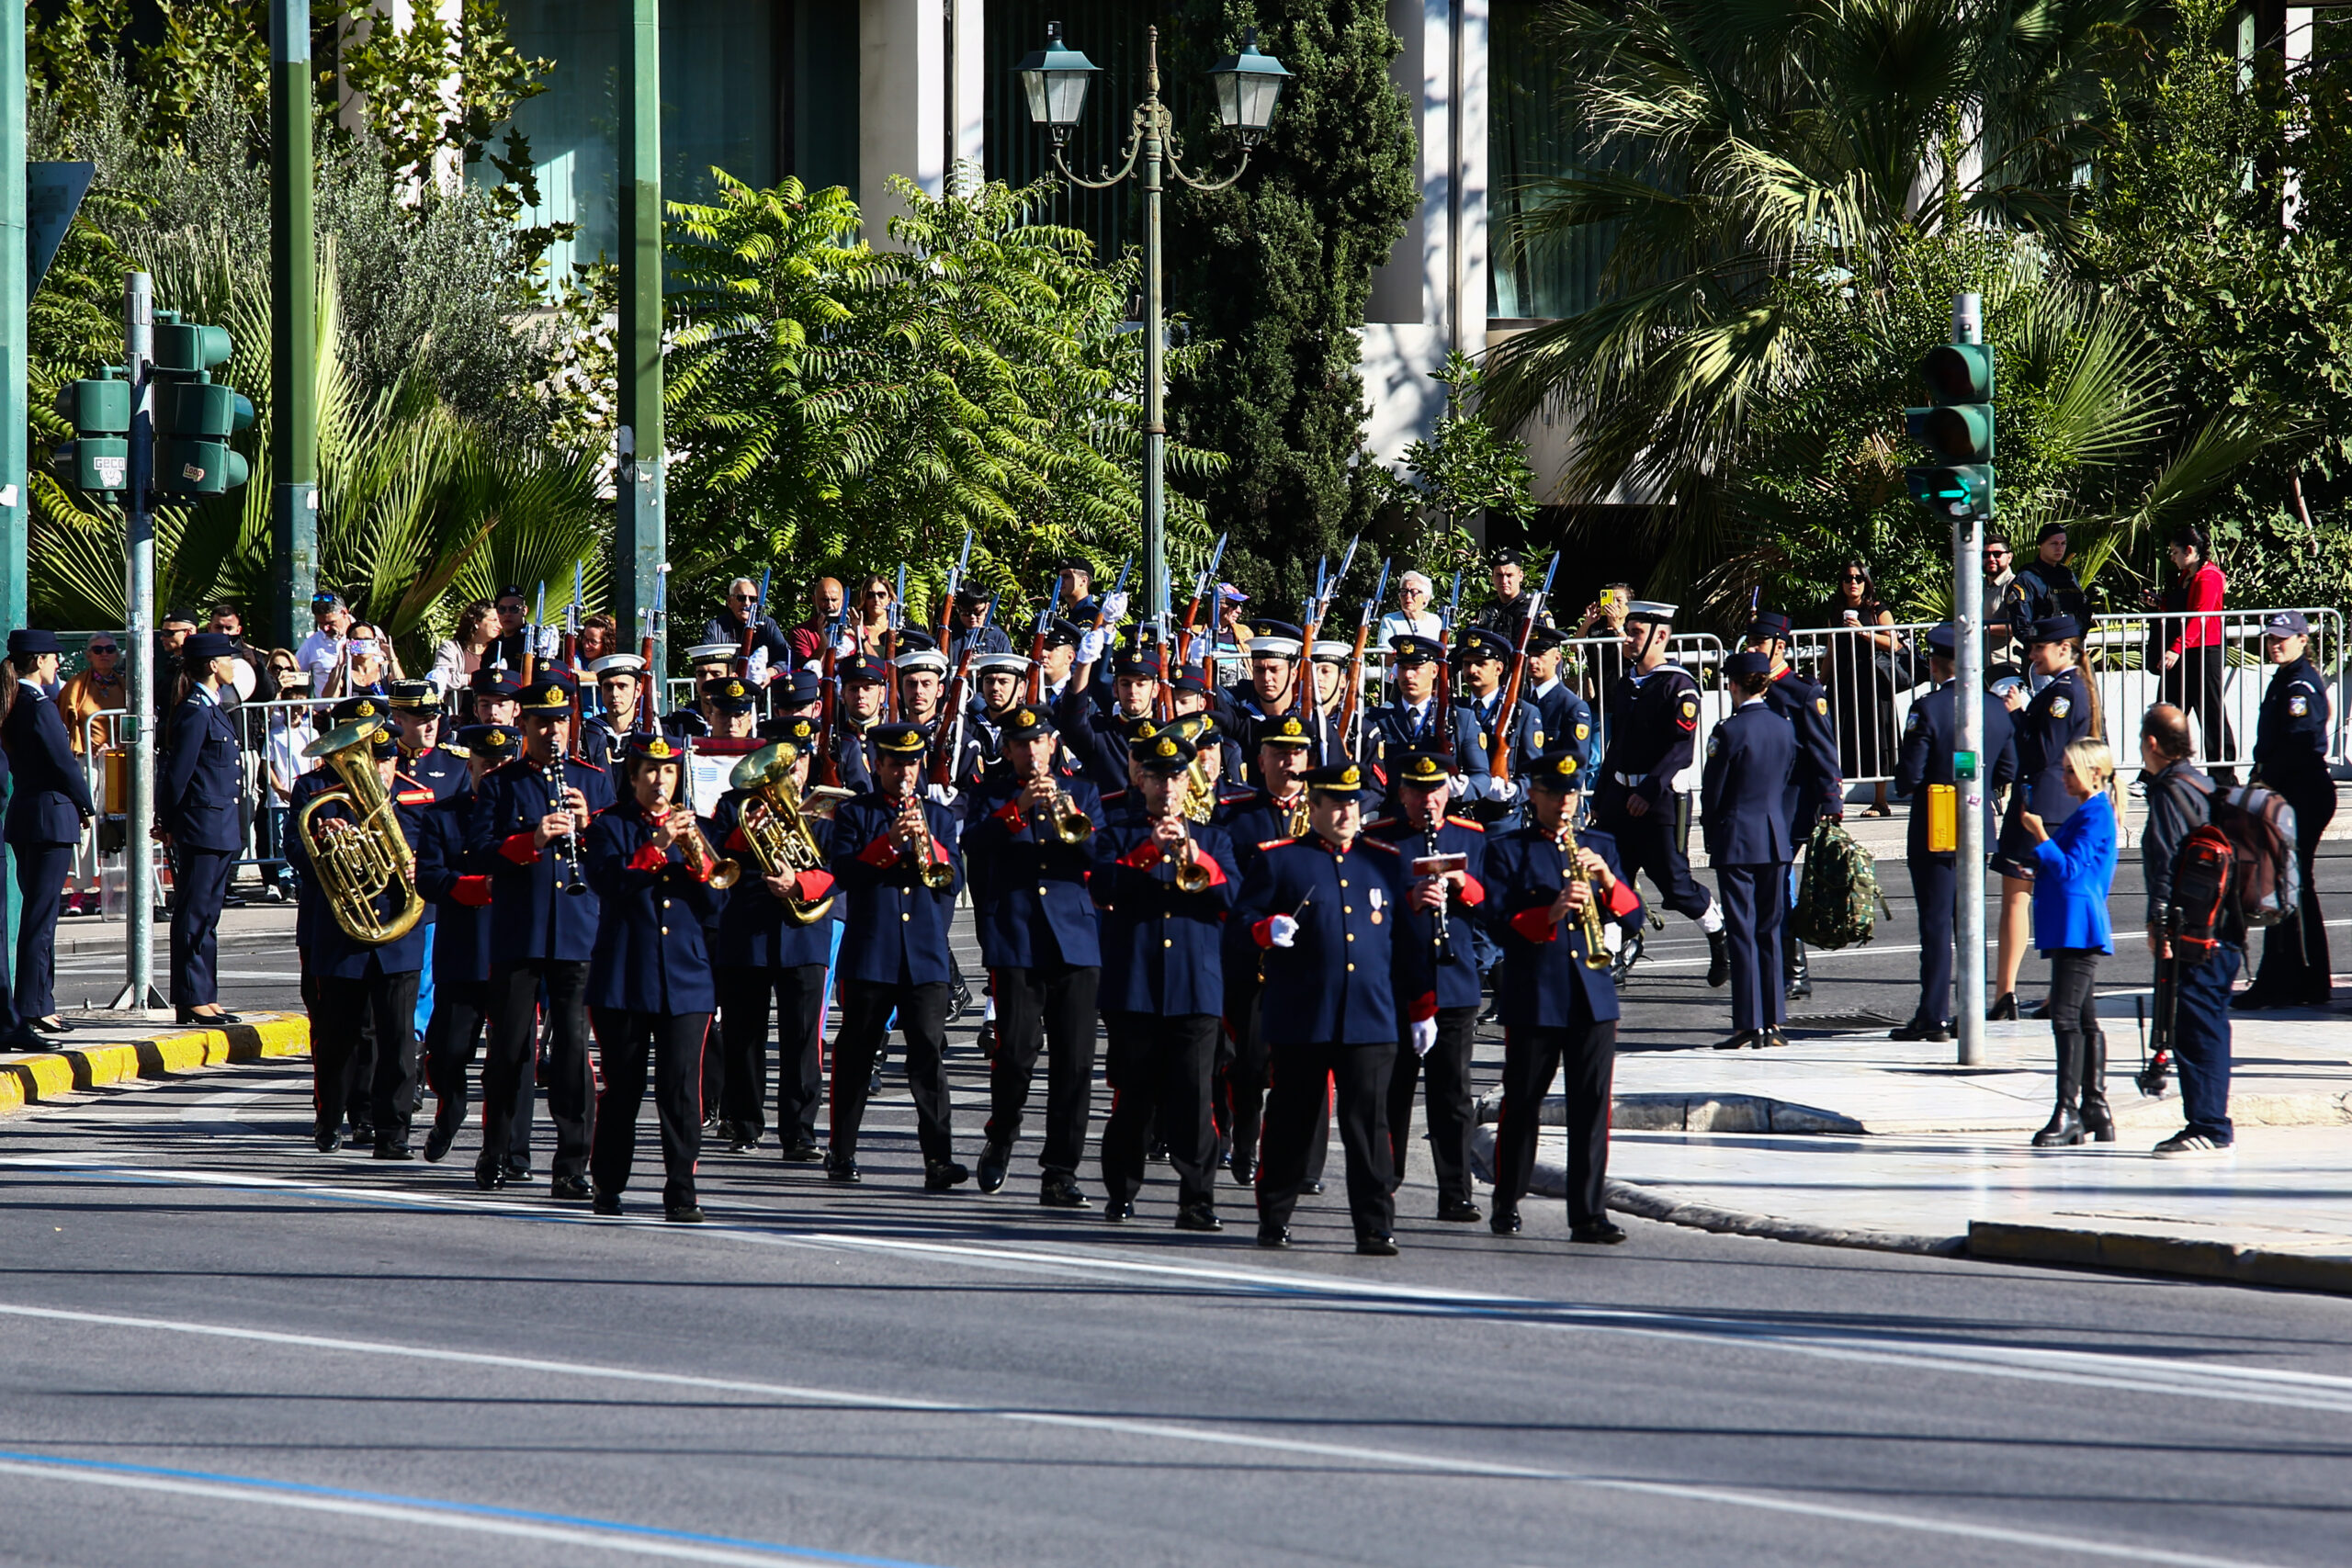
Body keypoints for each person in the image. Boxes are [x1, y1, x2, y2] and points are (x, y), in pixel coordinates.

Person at [1235, 760, 1435, 1257]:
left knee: (1369, 1126)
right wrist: (1266, 929)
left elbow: (1409, 943)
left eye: (1354, 803)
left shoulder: (1385, 861)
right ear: (1314, 805)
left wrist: (1422, 1007)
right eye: (1338, 803)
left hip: (1370, 1016)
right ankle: (1275, 1217)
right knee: (1292, 1121)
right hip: (1304, 1014)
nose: (1348, 812)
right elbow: (1241, 920)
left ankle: (1374, 1225)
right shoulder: (1280, 861)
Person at [463, 680, 616, 1197]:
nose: (552, 732)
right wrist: (531, 841)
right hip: (519, 930)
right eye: (541, 723)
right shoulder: (502, 784)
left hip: (576, 931)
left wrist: (588, 824)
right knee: (510, 1049)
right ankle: (500, 1151)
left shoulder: (594, 782)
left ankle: (573, 1164)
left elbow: (614, 854)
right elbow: (480, 851)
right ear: (523, 726)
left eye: (560, 722)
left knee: (574, 1050)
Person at [1485, 747, 1644, 1243]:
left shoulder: (1601, 844)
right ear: (1534, 794)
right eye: (1554, 792)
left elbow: (1634, 917)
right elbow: (1497, 922)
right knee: (1523, 1103)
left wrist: (1608, 880)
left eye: (1571, 793)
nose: (1565, 802)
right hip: (1537, 994)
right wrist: (1550, 914)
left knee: (1593, 1106)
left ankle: (1588, 1213)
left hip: (1594, 997)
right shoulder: (1509, 850)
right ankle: (1507, 1199)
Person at [1090, 730, 1238, 1228]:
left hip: (1195, 988)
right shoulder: (1116, 835)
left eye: (1176, 777)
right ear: (1140, 779)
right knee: (1134, 1097)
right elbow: (1104, 890)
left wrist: (1199, 860)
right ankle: (1122, 1191)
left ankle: (1196, 1198)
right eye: (1157, 776)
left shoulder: (1214, 837)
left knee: (1196, 1102)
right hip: (1135, 987)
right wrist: (1148, 854)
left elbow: (1235, 901)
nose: (1168, 787)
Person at [582, 732, 729, 1222]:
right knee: (623, 1089)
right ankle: (607, 1182)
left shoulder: (701, 828)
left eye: (667, 771)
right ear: (632, 777)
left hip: (686, 979)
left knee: (681, 1090)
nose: (659, 780)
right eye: (649, 771)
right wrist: (656, 848)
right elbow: (608, 883)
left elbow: (716, 906)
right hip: (625, 977)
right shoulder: (610, 828)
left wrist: (699, 865)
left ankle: (682, 1190)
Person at [964, 706, 1102, 1206]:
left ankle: (1060, 1170)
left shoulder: (1083, 790)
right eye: (1021, 743)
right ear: (1007, 750)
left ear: (1053, 744)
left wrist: (1070, 816)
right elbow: (973, 844)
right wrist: (1017, 807)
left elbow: (1100, 855)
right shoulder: (991, 793)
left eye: (1039, 741)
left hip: (1076, 944)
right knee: (1015, 1054)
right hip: (1017, 939)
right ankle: (1001, 1135)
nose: (1031, 751)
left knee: (1075, 1063)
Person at [824, 723, 967, 1189]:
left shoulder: (939, 818)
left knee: (928, 1056)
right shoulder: (856, 815)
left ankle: (938, 1160)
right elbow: (843, 872)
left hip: (924, 957)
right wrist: (888, 845)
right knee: (856, 1057)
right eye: (895, 763)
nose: (904, 771)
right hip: (872, 953)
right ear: (878, 764)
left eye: (911, 762)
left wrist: (929, 841)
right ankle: (841, 1152)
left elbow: (954, 880)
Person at [286, 705, 434, 1156]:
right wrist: (327, 843)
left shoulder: (419, 796)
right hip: (341, 931)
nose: (379, 771)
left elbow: (443, 852)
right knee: (339, 1037)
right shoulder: (320, 795)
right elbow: (295, 851)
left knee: (397, 1040)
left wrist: (420, 865)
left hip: (400, 934)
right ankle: (330, 1119)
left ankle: (393, 1132)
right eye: (372, 760)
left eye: (386, 761)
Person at [1367, 749, 1490, 1223]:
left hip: (1452, 984)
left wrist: (1466, 887)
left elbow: (1495, 904)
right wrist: (1408, 900)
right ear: (1401, 794)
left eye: (1435, 789)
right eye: (1417, 791)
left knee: (1452, 1096)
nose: (1427, 800)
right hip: (1395, 983)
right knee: (1392, 1092)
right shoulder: (1379, 839)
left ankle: (1456, 1192)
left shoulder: (1470, 839)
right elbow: (1363, 905)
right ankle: (1384, 1184)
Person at [707, 731, 836, 1162]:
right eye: (786, 763)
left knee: (803, 1037)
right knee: (745, 1035)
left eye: (799, 762)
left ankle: (800, 1131)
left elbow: (837, 869)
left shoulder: (826, 810)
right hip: (747, 931)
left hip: (805, 932)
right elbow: (716, 862)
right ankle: (744, 1122)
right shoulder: (734, 806)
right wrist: (752, 833)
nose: (793, 771)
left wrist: (798, 883)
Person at [1892, 625, 2018, 1040]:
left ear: (1935, 662)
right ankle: (1970, 1011)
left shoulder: (1927, 708)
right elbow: (2008, 769)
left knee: (1936, 923)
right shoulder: (1996, 708)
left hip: (1937, 822)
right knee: (1970, 922)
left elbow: (1909, 777)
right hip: (1978, 821)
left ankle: (1933, 1015)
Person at [1591, 602, 1727, 986]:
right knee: (1611, 879)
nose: (1628, 639)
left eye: (1635, 632)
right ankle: (1613, 954)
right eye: (1629, 631)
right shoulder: (1626, 683)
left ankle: (1720, 936)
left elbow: (1681, 749)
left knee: (1675, 884)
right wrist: (1600, 800)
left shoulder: (1677, 685)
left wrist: (1649, 791)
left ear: (1661, 636)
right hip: (1620, 796)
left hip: (1660, 799)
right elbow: (1616, 745)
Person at [416, 724, 531, 1168]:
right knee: (446, 1051)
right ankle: (453, 1105)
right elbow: (427, 877)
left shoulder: (529, 818)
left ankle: (513, 1152)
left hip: (514, 954)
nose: (495, 771)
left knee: (514, 1057)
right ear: (471, 766)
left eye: (503, 764)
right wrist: (472, 887)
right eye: (486, 765)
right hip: (463, 952)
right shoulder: (444, 814)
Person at [2138, 704, 2240, 1156]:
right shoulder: (2203, 784)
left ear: (2153, 743)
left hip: (2197, 932)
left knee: (2198, 1027)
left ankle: (2208, 1126)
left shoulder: (2169, 791)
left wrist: (2159, 923)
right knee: (2209, 1021)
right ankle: (2209, 1120)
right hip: (2225, 926)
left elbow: (2166, 863)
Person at [1990, 616, 2097, 1018]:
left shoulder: (2064, 694)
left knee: (2017, 900)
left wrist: (2017, 714)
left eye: (2040, 648)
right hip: (2054, 805)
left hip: (2041, 805)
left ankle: (2007, 994)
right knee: (2052, 900)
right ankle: (2054, 994)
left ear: (2064, 650)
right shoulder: (2068, 689)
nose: (2033, 655)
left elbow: (2042, 751)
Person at [2015, 738, 2120, 1146]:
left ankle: (2068, 1111)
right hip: (2071, 926)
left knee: (2065, 1017)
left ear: (2093, 773)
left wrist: (2040, 834)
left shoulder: (2096, 814)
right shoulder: (2090, 811)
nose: (2064, 777)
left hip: (2079, 928)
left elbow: (2073, 871)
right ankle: (2095, 1108)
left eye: (2070, 771)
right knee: (2085, 1019)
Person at [1744, 610, 1843, 1000]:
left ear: (1779, 647)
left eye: (1759, 644)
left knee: (1779, 883)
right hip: (1759, 800)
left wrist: (1831, 801)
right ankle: (1782, 964)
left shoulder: (1802, 693)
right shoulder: (1756, 689)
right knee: (1766, 884)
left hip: (1790, 804)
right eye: (1750, 642)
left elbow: (1824, 752)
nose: (1752, 650)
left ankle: (1795, 970)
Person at [3, 630, 96, 1039]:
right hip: (49, 816)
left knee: (39, 916)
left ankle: (41, 1003)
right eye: (54, 658)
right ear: (38, 660)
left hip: (28, 815)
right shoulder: (36, 705)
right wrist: (86, 804)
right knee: (41, 919)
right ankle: (35, 1006)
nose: (58, 664)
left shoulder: (14, 702)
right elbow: (63, 762)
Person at [2240, 611, 2335, 1008]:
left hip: (2302, 793)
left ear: (2302, 639)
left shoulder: (2299, 683)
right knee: (2289, 887)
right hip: (2292, 791)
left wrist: (2266, 779)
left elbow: (2300, 743)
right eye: (2271, 638)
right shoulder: (2287, 677)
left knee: (2289, 885)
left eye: (2283, 637)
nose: (2275, 644)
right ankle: (2300, 979)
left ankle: (2292, 980)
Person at [1702, 652, 1797, 1050]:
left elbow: (1714, 793)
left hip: (1737, 839)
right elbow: (1791, 780)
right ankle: (1773, 1022)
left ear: (1735, 684)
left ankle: (1748, 1023)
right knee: (1770, 930)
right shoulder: (1783, 727)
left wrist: (1711, 835)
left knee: (1742, 930)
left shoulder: (1728, 731)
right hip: (1775, 837)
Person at [157, 632, 244, 1026]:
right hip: (201, 824)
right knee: (194, 913)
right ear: (213, 665)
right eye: (228, 659)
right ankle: (192, 998)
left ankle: (204, 995)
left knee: (208, 914)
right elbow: (178, 773)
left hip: (220, 823)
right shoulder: (195, 709)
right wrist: (169, 822)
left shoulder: (214, 707)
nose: (233, 665)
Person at [1813, 559, 1901, 812]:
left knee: (1878, 738)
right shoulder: (1835, 612)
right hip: (1843, 683)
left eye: (1858, 578)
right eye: (1848, 578)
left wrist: (1864, 632)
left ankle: (1881, 800)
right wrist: (1820, 683)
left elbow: (1894, 644)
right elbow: (1831, 650)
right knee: (1839, 738)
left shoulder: (1877, 609)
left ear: (1866, 582)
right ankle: (1834, 799)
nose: (1853, 583)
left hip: (1873, 682)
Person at [2153, 526, 2235, 783]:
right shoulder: (2188, 575)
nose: (2173, 557)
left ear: (2189, 551)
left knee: (2210, 711)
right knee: (2167, 708)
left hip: (2203, 651)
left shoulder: (2208, 576)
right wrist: (2160, 603)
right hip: (2187, 650)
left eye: (2175, 552)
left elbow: (2199, 617)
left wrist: (2177, 648)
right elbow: (2184, 609)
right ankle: (2155, 770)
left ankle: (2223, 774)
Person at [702, 577, 795, 680]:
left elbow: (786, 657)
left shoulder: (768, 624)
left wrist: (770, 673)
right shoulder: (714, 627)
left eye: (752, 599)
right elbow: (708, 661)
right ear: (729, 601)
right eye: (741, 598)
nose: (747, 603)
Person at [2011, 524, 2089, 628]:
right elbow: (2022, 624)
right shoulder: (2027, 578)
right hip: (2042, 641)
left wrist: (2075, 637)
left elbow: (2083, 610)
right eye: (2054, 543)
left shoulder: (2067, 575)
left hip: (2069, 641)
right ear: (2041, 544)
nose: (2059, 548)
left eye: (2063, 543)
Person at [1473, 549, 1551, 643]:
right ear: (1492, 578)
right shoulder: (1486, 611)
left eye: (1509, 575)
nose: (1504, 581)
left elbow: (1548, 649)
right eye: (1499, 575)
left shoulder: (1533, 609)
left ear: (1520, 576)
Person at [209, 603, 279, 705]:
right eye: (218, 627)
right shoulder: (198, 656)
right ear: (209, 627)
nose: (223, 632)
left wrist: (255, 666)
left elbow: (268, 694)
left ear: (238, 630)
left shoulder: (253, 656)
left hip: (245, 718)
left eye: (229, 628)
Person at [431, 600, 500, 697]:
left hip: (490, 710)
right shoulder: (450, 648)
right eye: (494, 620)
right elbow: (441, 679)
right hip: (459, 710)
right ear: (476, 621)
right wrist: (473, 679)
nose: (500, 625)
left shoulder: (500, 650)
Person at [294, 592, 355, 694]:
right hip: (327, 707)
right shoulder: (311, 644)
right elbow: (296, 676)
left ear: (344, 613)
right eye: (321, 623)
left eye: (331, 623)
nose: (326, 629)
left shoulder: (370, 635)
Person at [1374, 571, 1442, 650]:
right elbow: (1384, 655)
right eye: (1404, 591)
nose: (1408, 596)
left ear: (1426, 598)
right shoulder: (1390, 620)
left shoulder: (1435, 621)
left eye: (1414, 592)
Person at [790, 577, 846, 663]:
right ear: (814, 600)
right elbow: (805, 670)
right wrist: (823, 645)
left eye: (834, 600)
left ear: (842, 600)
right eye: (825, 600)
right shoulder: (801, 632)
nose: (830, 605)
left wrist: (861, 639)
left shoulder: (853, 629)